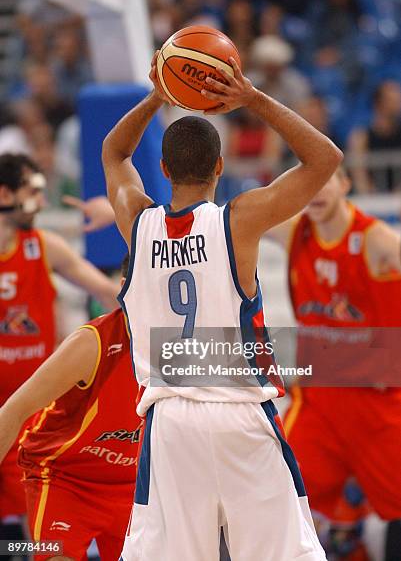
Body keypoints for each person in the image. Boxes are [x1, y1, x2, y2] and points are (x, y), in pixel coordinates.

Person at [101, 51, 342, 560]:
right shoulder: (239, 222)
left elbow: (114, 154)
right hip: (240, 415)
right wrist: (251, 98)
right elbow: (325, 159)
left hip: (170, 422)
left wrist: (155, 97)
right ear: (220, 166)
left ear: (163, 168)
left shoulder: (137, 225)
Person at [266, 167, 401, 559]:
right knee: (272, 493)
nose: (317, 192)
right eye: (309, 183)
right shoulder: (295, 232)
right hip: (319, 407)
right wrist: (148, 214)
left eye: (327, 181)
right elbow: (227, 218)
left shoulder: (374, 239)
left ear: (345, 184)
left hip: (377, 407)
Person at [0, 153, 118, 547]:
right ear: (5, 194)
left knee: (29, 532)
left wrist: (122, 220)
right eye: (33, 192)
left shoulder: (44, 246)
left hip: (30, 411)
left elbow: (108, 291)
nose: (42, 200)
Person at [0, 255, 142, 561]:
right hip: (66, 480)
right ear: (126, 289)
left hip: (135, 485)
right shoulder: (92, 343)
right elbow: (13, 410)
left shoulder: (188, 346)